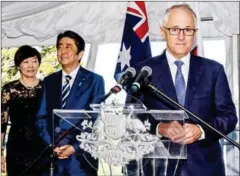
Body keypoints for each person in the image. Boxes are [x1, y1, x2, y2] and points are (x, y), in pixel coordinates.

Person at [129, 4, 238, 176]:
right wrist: (159, 127)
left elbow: (229, 116)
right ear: (163, 30)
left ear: (194, 33)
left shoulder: (213, 70)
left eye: (188, 30)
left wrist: (201, 130)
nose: (181, 36)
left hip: (206, 168)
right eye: (175, 29)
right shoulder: (143, 71)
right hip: (158, 167)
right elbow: (132, 115)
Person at [35, 30, 105, 176]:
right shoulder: (49, 81)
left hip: (80, 159)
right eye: (60, 47)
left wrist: (75, 147)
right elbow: (41, 117)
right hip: (52, 158)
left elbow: (96, 120)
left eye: (68, 47)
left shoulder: (95, 81)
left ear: (80, 54)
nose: (63, 51)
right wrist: (51, 144)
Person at [1, 45, 44, 176]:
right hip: (17, 146)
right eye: (26, 62)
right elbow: (2, 123)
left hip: (42, 147)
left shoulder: (46, 87)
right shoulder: (9, 89)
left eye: (34, 61)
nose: (31, 65)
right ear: (18, 65)